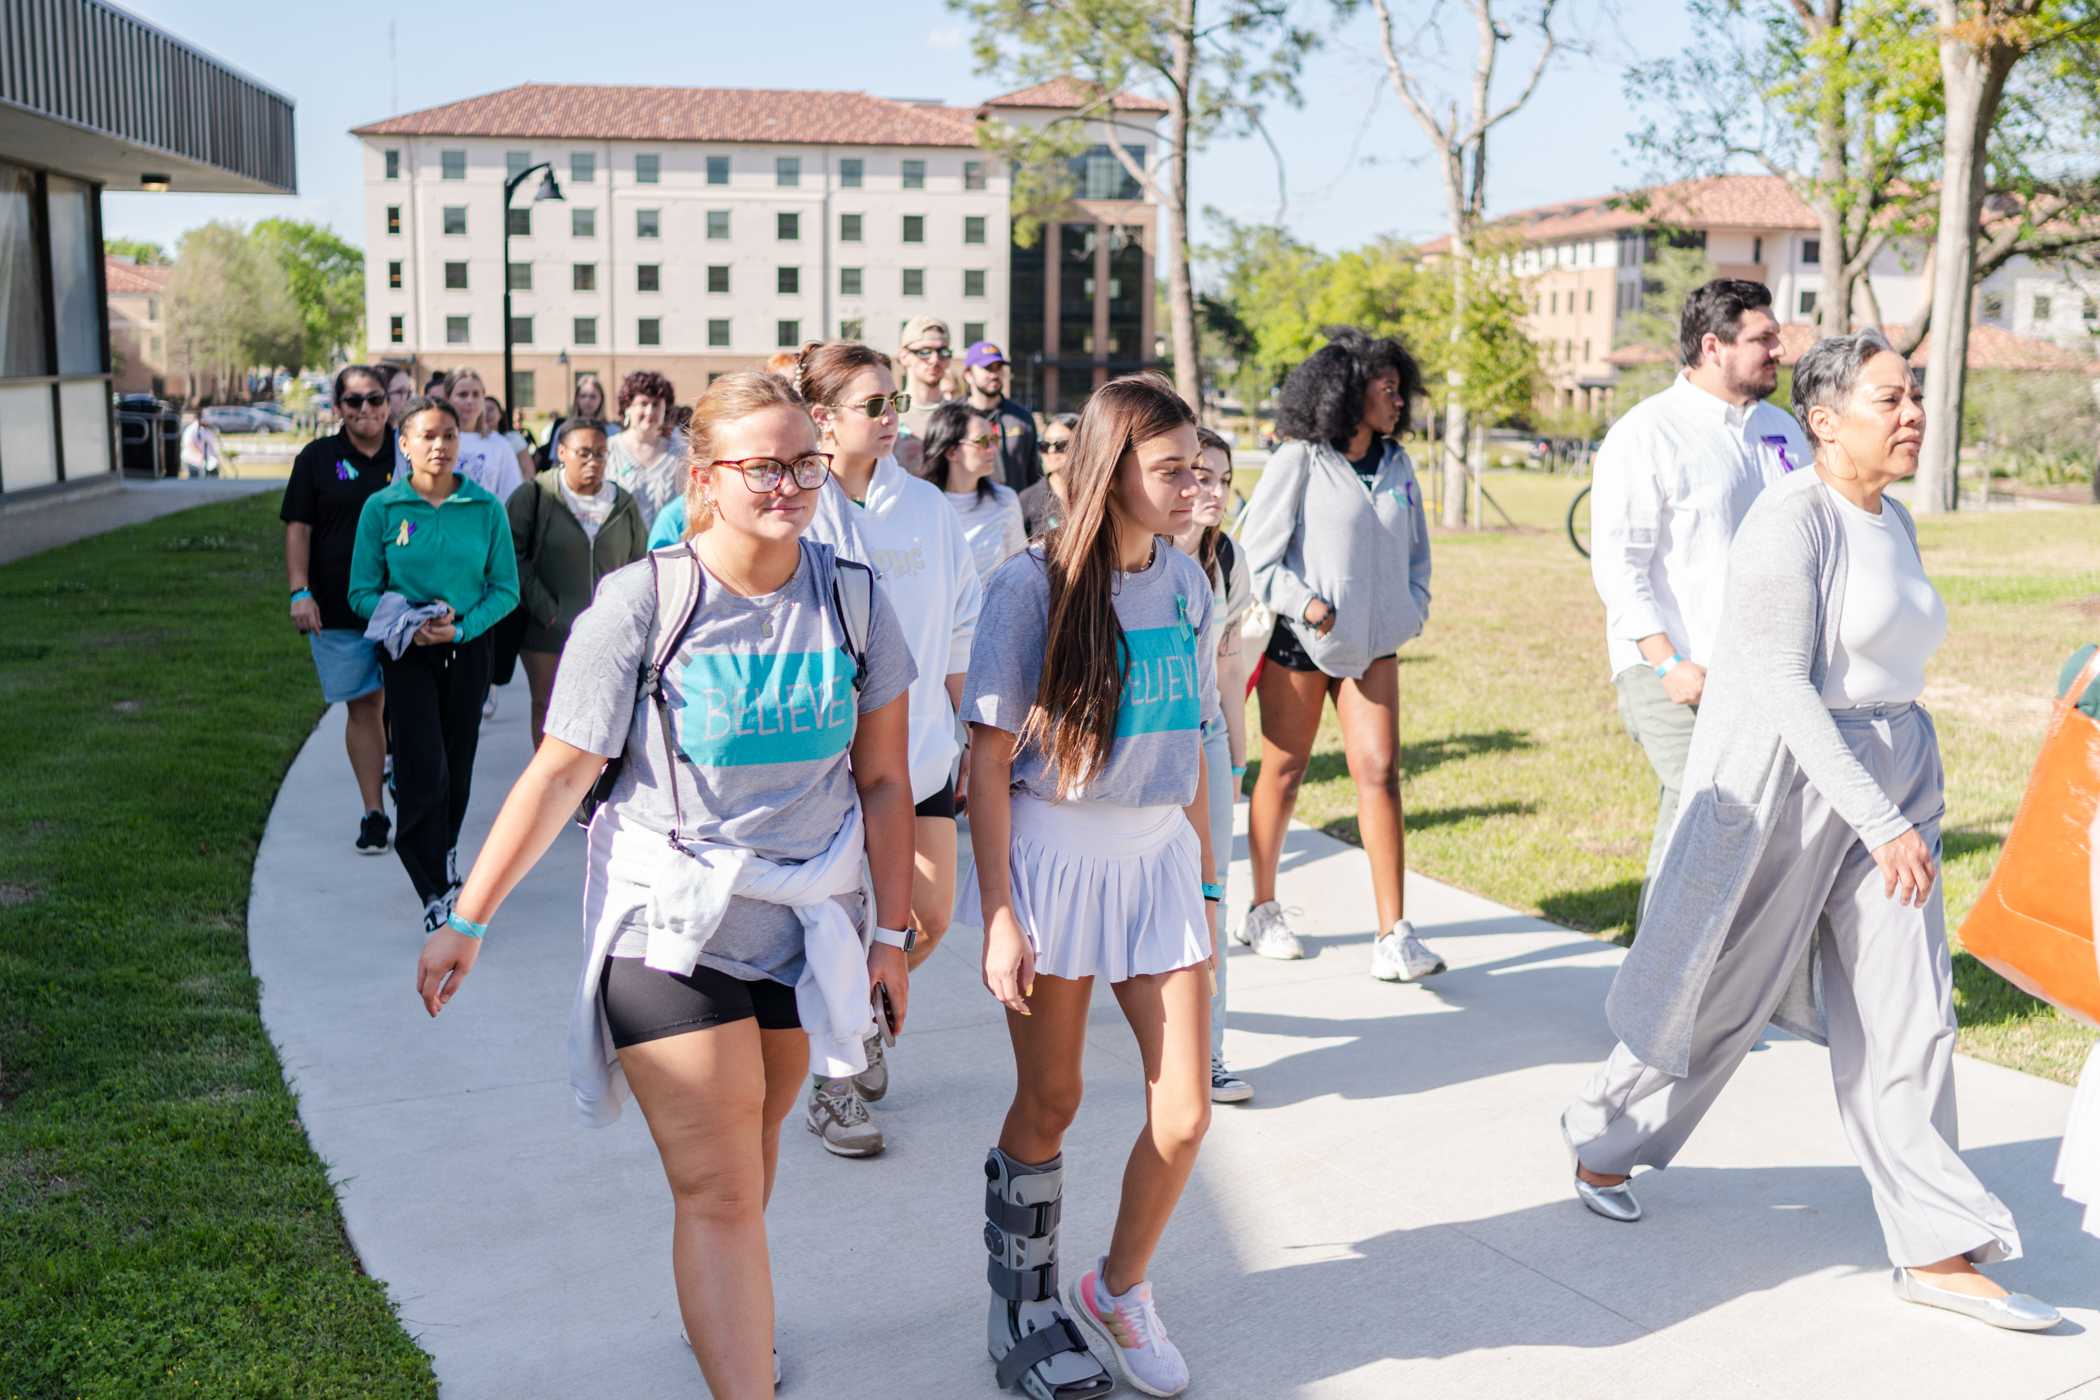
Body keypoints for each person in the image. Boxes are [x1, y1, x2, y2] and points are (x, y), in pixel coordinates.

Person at [414, 371, 917, 1396]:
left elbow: (883, 775)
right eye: (763, 466)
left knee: (751, 1158)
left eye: (805, 464)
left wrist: (893, 932)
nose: (789, 486)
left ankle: (722, 1302)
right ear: (705, 475)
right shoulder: (645, 602)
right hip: (668, 924)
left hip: (801, 919)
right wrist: (470, 915)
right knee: (722, 1185)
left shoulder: (853, 596)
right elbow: (560, 769)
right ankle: (743, 1368)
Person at [1562, 330, 2059, 1333]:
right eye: (1890, 399)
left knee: (1909, 1010)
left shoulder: (1897, 520)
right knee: (1717, 988)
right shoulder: (1788, 524)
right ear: (1824, 421)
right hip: (1789, 786)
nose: (1913, 413)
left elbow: (1895, 668)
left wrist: (1905, 796)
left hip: (1892, 775)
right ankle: (1604, 1137)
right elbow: (1783, 687)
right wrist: (1873, 814)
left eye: (1914, 395)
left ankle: (1936, 1241)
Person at [965, 371, 1221, 1400]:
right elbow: (985, 763)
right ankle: (1021, 1302)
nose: (1193, 488)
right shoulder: (1028, 589)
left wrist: (1206, 883)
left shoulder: (1191, 581)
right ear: (1111, 473)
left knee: (1188, 1112)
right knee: (1055, 1095)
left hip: (1159, 860)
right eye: (1171, 471)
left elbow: (1196, 737)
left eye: (1200, 469)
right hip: (1054, 859)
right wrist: (997, 916)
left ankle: (1118, 1285)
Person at [798, 339, 983, 1155]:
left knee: (927, 913)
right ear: (822, 420)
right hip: (829, 764)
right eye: (871, 405)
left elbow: (960, 625)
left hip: (923, 757)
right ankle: (829, 1081)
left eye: (892, 404)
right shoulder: (797, 508)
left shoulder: (928, 509)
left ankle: (863, 1014)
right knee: (836, 927)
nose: (888, 418)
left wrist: (964, 731)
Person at [1590, 279, 1808, 910]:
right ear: (1714, 346)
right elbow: (1619, 564)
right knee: (1709, 815)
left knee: (1702, 819)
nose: (1779, 349)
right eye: (1764, 338)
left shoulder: (1782, 431)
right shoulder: (1648, 433)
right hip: (1671, 668)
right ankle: (1666, 984)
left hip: (1757, 671)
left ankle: (1668, 986)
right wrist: (1667, 663)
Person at [1236, 329, 1439, 982]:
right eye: (1387, 388)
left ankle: (1394, 934)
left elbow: (1417, 553)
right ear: (1350, 393)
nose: (1399, 399)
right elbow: (1257, 557)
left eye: (1400, 388)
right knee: (1286, 770)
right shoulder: (1301, 460)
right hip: (1303, 640)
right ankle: (1262, 908)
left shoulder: (1398, 465)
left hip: (1375, 646)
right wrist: (1309, 604)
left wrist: (1411, 606)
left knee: (1380, 773)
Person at [348, 396, 520, 935]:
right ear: (404, 444)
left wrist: (463, 627)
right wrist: (408, 619)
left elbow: (506, 590)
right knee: (423, 769)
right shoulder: (383, 509)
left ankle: (445, 851)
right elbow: (360, 592)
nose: (439, 446)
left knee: (458, 764)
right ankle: (431, 886)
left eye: (448, 435)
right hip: (407, 654)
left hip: (467, 649)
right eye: (426, 436)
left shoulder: (485, 508)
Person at [1172, 426, 1255, 1106]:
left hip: (1204, 737)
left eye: (1223, 479)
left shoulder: (1227, 555)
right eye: (1199, 475)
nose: (1213, 492)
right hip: (1140, 748)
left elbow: (1228, 663)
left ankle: (1209, 1054)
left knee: (1211, 895)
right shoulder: (1138, 554)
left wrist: (1235, 752)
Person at [283, 365, 397, 854]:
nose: (366, 409)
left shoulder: (410, 451)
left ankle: (408, 785)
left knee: (409, 703)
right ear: (338, 408)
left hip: (405, 607)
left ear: (388, 402)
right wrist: (299, 591)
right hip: (340, 609)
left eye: (374, 399)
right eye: (354, 402)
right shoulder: (317, 458)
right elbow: (298, 528)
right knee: (365, 704)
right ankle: (374, 811)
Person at [508, 419, 647, 750]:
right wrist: (549, 610)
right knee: (548, 706)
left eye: (601, 453)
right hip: (547, 630)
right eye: (584, 453)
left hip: (607, 629)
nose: (593, 461)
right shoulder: (535, 495)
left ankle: (593, 791)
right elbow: (511, 556)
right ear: (561, 452)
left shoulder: (622, 503)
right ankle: (553, 791)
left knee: (604, 710)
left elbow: (639, 564)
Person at [922, 398, 1025, 579]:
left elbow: (1019, 569)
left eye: (994, 439)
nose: (993, 449)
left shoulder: (1005, 501)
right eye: (983, 441)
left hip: (991, 606)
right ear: (951, 452)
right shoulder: (919, 504)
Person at [606, 370, 686, 527]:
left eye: (656, 405)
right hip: (620, 549)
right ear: (627, 407)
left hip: (665, 547)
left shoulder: (679, 453)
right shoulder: (609, 450)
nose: (650, 411)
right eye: (643, 403)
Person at [960, 341, 1041, 493]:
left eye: (999, 368)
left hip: (1014, 510)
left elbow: (1034, 474)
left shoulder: (1022, 418)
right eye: (988, 368)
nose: (994, 374)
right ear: (968, 375)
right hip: (966, 511)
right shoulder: (955, 418)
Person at [439, 368, 526, 502]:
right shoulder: (436, 442)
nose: (470, 401)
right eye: (462, 395)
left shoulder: (500, 445)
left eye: (476, 395)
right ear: (447, 398)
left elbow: (511, 496)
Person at [893, 315, 960, 474]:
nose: (935, 360)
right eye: (924, 352)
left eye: (943, 351)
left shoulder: (962, 415)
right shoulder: (888, 413)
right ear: (904, 357)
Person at [1019, 412, 1077, 538]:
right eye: (1045, 445)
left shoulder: (1097, 495)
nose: (1051, 451)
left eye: (1061, 445)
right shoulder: (1026, 499)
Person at [541, 374, 612, 469]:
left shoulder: (613, 431)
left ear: (601, 399)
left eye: (593, 396)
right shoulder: (565, 430)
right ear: (576, 399)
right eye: (583, 396)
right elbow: (556, 464)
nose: (587, 401)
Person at [180, 400, 223, 478]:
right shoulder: (192, 429)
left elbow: (212, 446)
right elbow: (189, 446)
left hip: (210, 463)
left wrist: (214, 459)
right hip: (193, 462)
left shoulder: (209, 430)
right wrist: (202, 458)